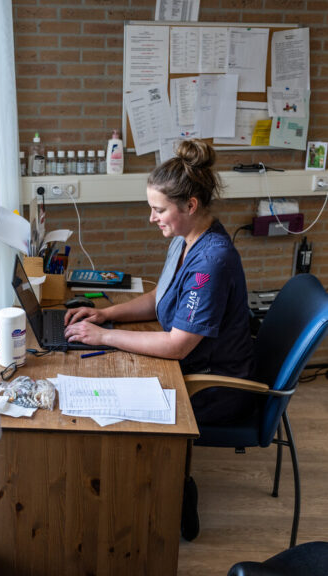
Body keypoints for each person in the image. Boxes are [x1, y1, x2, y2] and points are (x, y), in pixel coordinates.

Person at [64, 139, 257, 539]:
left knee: (111, 397)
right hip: (192, 365)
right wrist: (107, 314)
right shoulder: (184, 241)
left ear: (190, 206)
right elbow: (161, 298)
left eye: (158, 209)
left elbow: (176, 345)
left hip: (213, 385)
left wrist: (105, 336)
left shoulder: (212, 262)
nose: (151, 218)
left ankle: (157, 500)